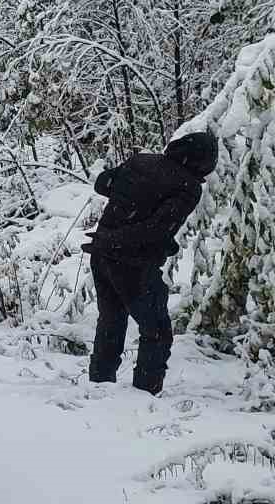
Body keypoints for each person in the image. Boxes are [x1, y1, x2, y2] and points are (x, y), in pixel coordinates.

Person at [82, 131, 218, 395]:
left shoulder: (143, 161)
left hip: (101, 254)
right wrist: (119, 240)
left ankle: (99, 388)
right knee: (156, 331)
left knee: (111, 320)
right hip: (131, 262)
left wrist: (131, 193)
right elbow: (156, 229)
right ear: (204, 163)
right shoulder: (188, 187)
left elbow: (103, 183)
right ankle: (145, 396)